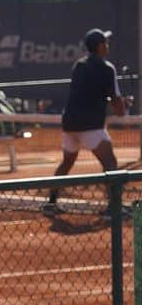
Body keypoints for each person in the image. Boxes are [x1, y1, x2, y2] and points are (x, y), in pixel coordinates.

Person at [46, 27, 127, 212]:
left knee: (66, 163)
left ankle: (51, 203)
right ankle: (114, 208)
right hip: (91, 125)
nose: (108, 46)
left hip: (70, 123)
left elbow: (89, 93)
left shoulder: (79, 65)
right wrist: (124, 106)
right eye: (105, 43)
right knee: (110, 163)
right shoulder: (108, 69)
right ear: (100, 46)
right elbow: (118, 108)